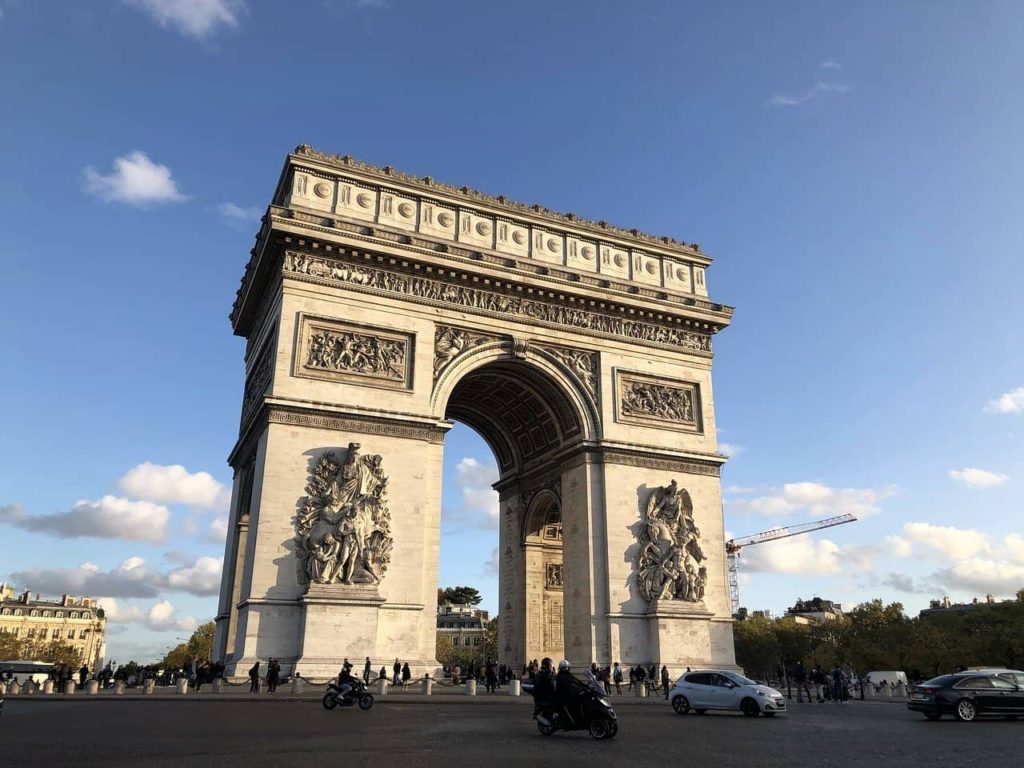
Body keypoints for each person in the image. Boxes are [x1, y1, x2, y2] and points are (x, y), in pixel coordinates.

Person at [532, 658, 556, 726]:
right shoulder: (544, 674)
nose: (551, 667)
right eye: (550, 666)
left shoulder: (543, 673)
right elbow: (550, 685)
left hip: (543, 695)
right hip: (543, 697)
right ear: (548, 666)